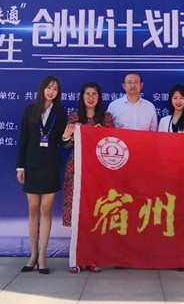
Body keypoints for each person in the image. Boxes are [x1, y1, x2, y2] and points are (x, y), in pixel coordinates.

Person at [16, 76, 68, 275]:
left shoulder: (60, 112)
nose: (51, 91)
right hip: (31, 165)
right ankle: (33, 254)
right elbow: (23, 139)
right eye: (49, 87)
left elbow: (62, 142)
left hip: (50, 165)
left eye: (55, 88)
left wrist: (66, 136)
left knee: (46, 210)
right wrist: (20, 167)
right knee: (33, 209)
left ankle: (43, 256)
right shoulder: (30, 109)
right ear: (42, 89)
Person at [61, 81, 115, 273]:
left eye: (94, 94)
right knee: (78, 214)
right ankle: (75, 259)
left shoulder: (106, 118)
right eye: (87, 94)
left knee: (94, 213)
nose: (91, 98)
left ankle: (92, 258)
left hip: (98, 171)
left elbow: (113, 142)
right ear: (82, 97)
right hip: (76, 168)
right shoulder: (74, 117)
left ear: (99, 97)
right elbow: (67, 144)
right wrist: (67, 136)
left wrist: (102, 133)